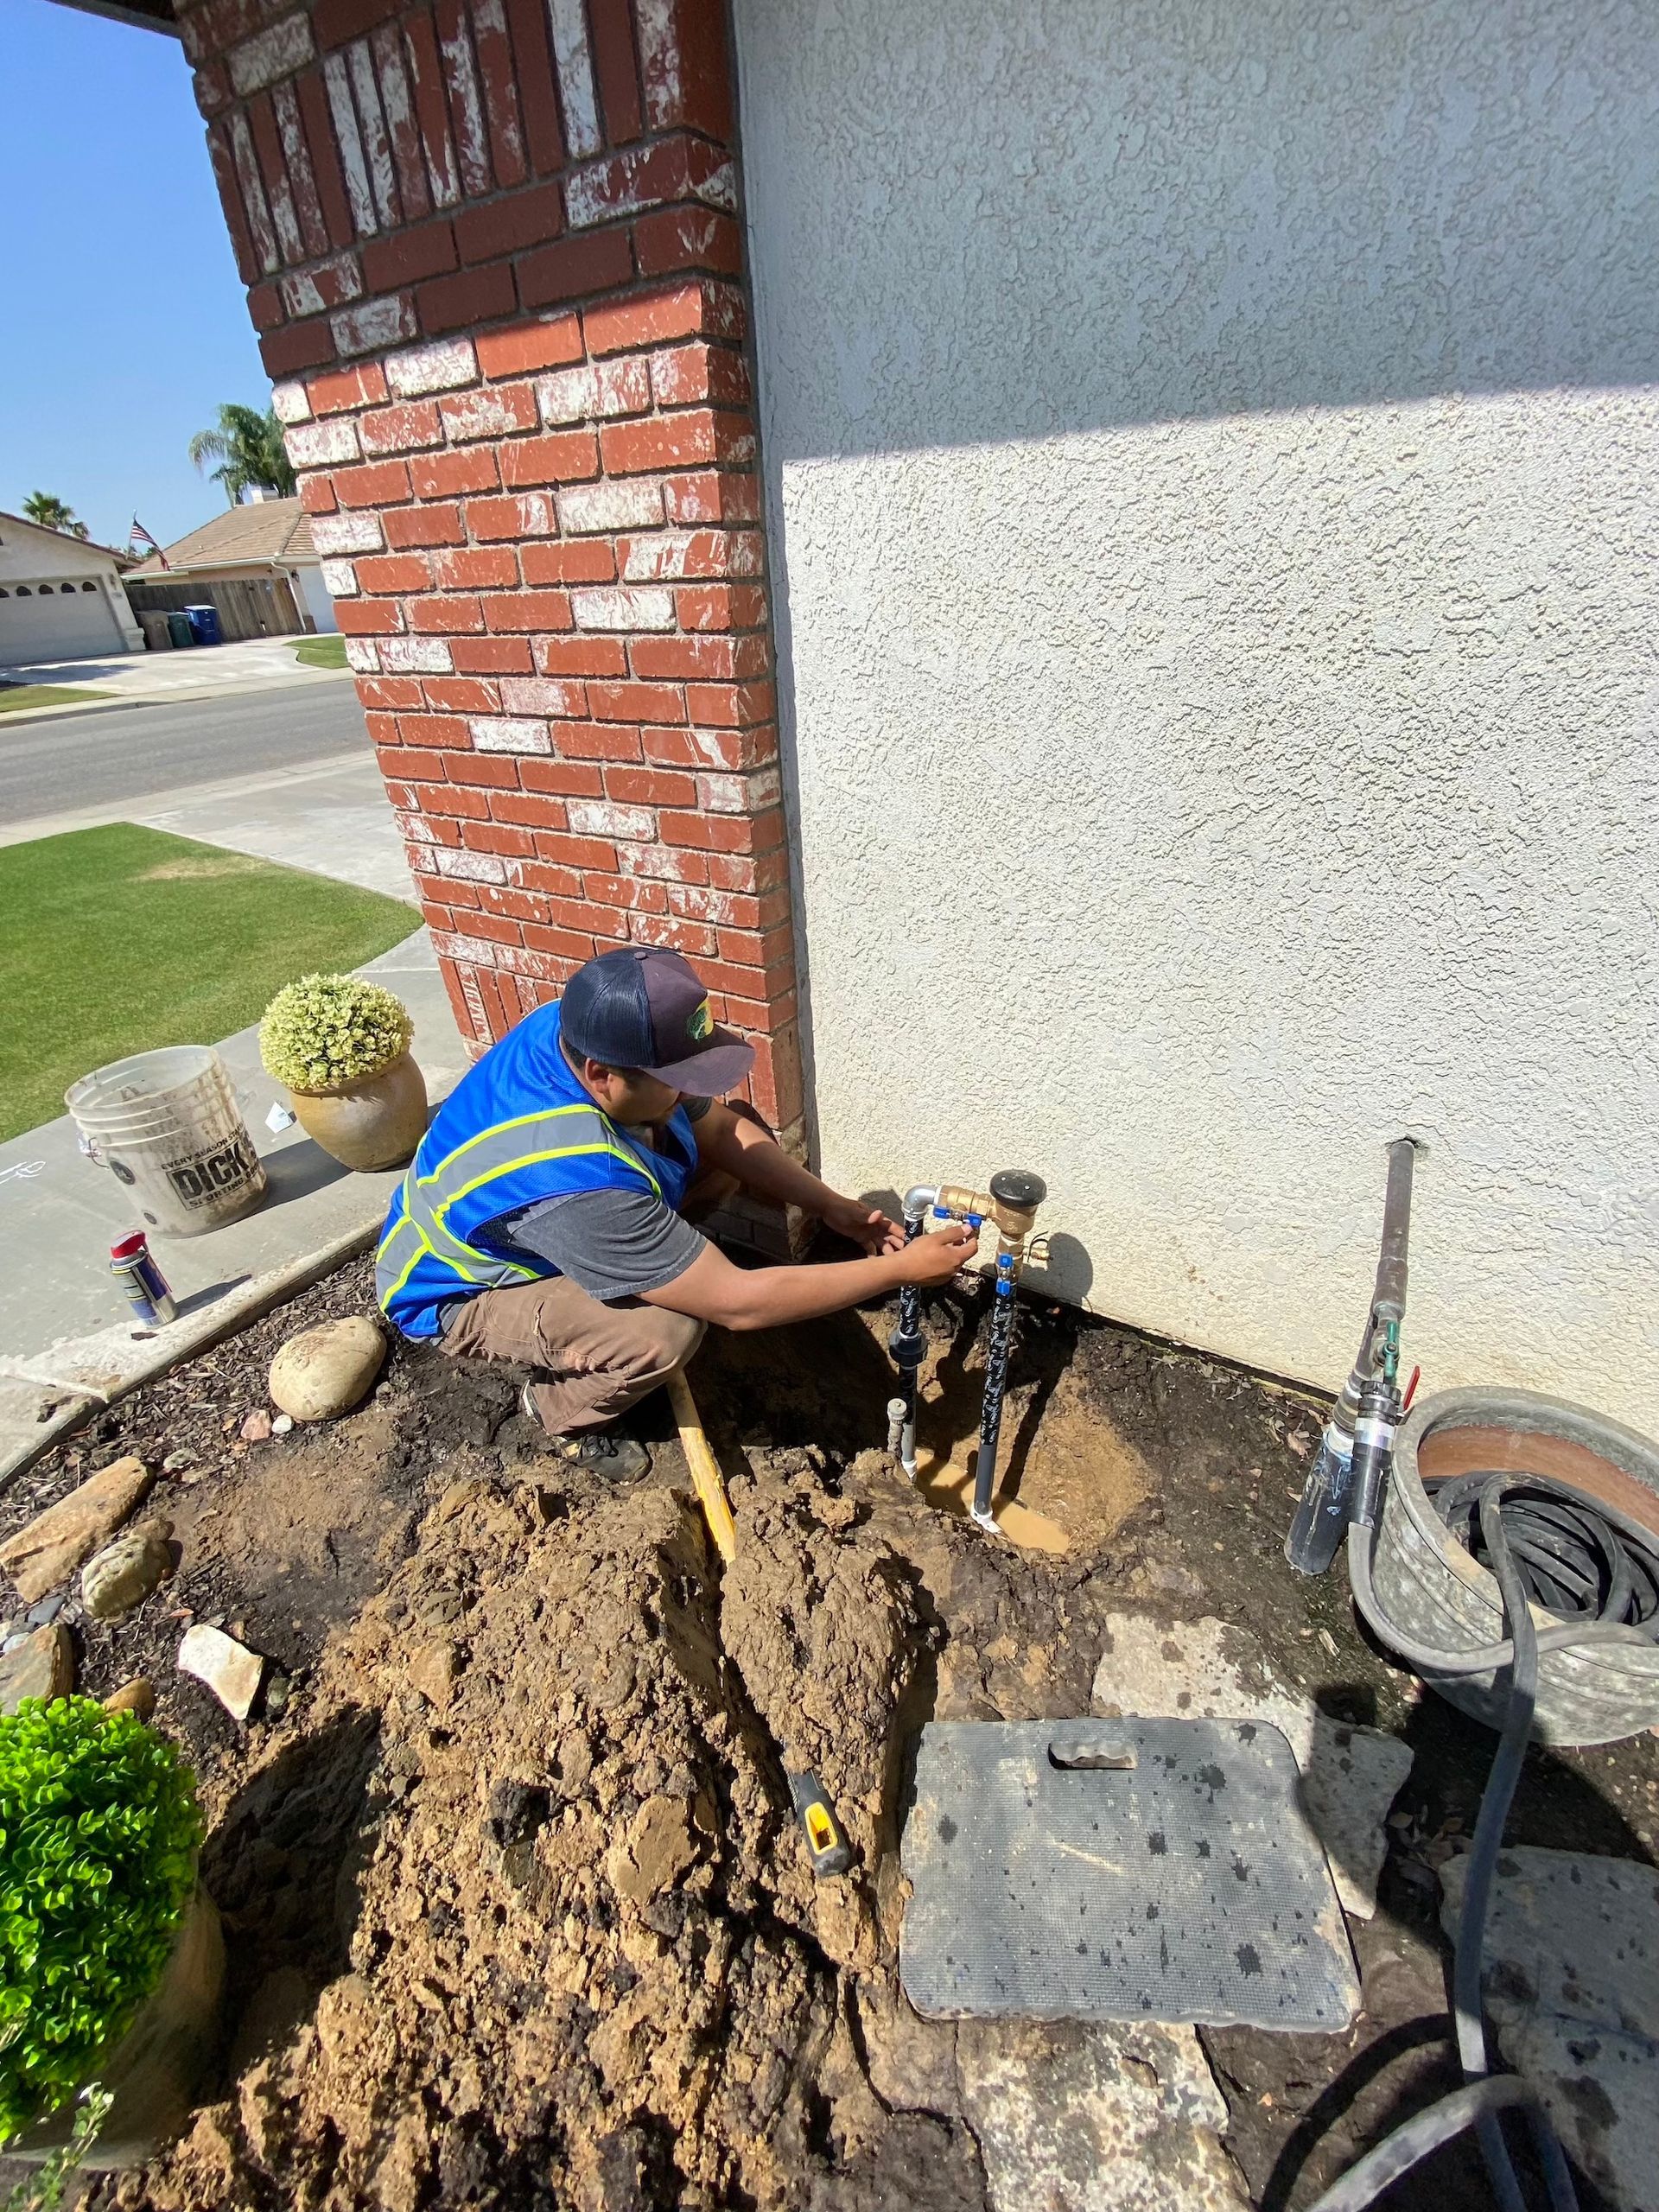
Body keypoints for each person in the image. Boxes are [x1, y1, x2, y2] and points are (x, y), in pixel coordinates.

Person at [377, 944, 976, 1475]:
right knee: (664, 1332)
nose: (691, 1093)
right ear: (601, 1075)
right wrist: (899, 1271)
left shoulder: (578, 1028)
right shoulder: (578, 1181)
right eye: (676, 1080)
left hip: (545, 1222)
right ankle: (559, 1412)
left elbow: (718, 1130)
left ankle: (653, 1265)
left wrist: (834, 1207)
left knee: (735, 1133)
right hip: (458, 1288)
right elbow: (738, 1305)